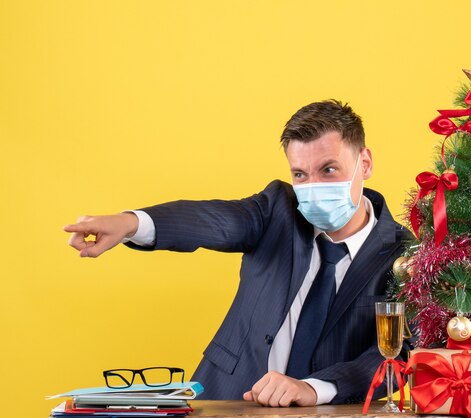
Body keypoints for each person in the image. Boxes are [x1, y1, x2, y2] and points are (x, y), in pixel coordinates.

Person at [64, 100, 413, 407]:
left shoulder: (405, 256)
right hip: (226, 397)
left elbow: (402, 356)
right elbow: (216, 220)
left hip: (324, 408)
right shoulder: (278, 210)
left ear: (364, 163)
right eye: (300, 174)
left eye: (329, 169)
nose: (313, 187)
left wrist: (315, 388)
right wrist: (130, 223)